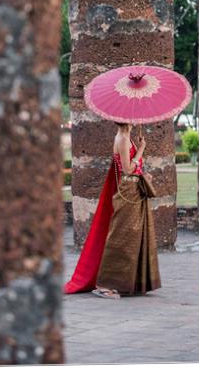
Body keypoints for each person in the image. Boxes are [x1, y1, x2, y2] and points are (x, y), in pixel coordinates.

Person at [63, 122, 161, 299]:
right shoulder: (122, 139)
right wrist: (141, 150)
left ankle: (132, 281)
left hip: (133, 191)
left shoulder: (127, 137)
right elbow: (127, 169)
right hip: (126, 192)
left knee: (132, 234)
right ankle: (104, 285)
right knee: (120, 235)